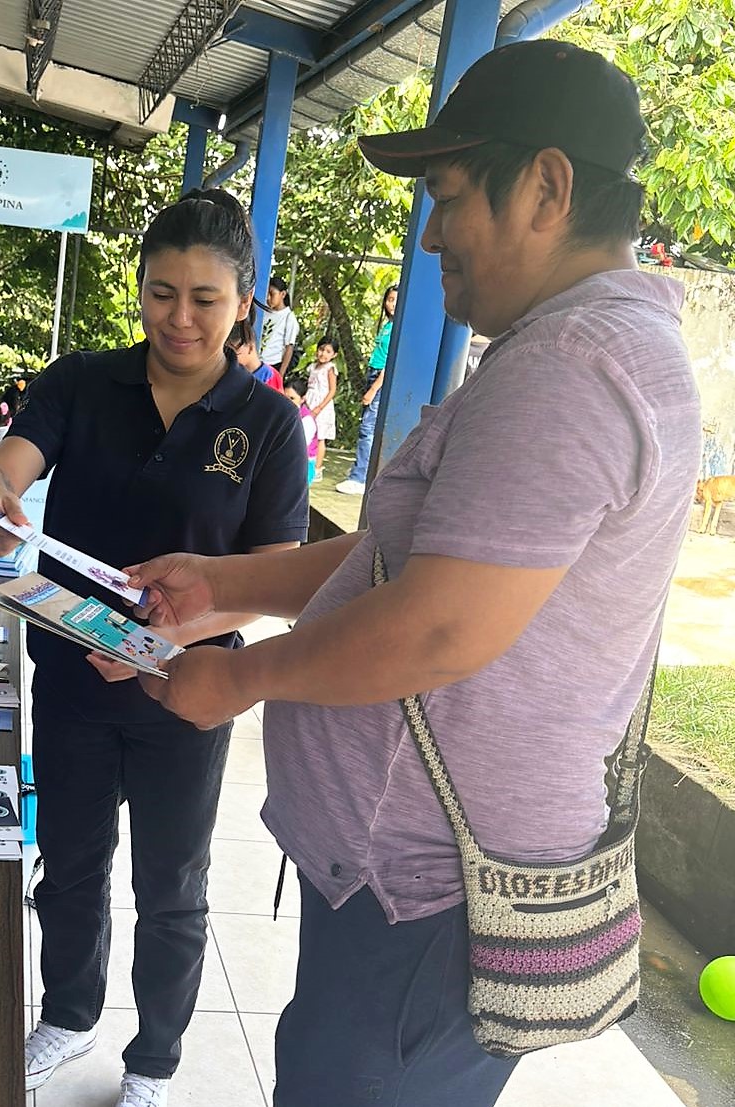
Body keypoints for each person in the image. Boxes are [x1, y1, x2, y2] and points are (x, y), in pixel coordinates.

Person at [121, 41, 700, 1107]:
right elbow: (407, 559)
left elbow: (439, 629)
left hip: (430, 903)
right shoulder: (574, 349)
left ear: (547, 186)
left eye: (447, 197)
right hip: (417, 893)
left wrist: (237, 679)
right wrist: (225, 586)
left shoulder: (572, 370)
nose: (431, 233)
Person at [0, 187, 308, 1107]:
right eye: (162, 292)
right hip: (75, 678)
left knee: (173, 886)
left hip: (189, 691)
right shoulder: (81, 381)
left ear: (246, 300)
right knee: (70, 863)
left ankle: (154, 1059)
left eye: (206, 297)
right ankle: (70, 1012)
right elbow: (13, 460)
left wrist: (169, 636)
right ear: (141, 287)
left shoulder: (269, 425)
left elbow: (275, 575)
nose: (181, 318)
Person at [336, 285, 396, 494]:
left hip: (380, 378)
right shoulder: (387, 325)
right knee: (370, 427)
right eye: (389, 299)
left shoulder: (398, 328)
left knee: (367, 429)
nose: (392, 304)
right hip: (373, 373)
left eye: (396, 300)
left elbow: (391, 364)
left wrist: (373, 390)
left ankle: (359, 477)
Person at [303, 335, 339, 480]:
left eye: (328, 351)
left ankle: (318, 468)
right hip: (309, 402)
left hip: (322, 406)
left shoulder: (330, 369)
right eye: (321, 349)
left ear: (334, 355)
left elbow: (332, 390)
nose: (323, 354)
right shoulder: (312, 367)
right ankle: (308, 464)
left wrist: (320, 407)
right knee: (308, 433)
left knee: (320, 437)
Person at [227, 318, 284, 392]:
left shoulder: (271, 377)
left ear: (250, 347)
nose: (229, 356)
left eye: (234, 352)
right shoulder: (230, 374)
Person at [283, 376, 320, 485]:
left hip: (302, 466)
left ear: (302, 399)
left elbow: (298, 447)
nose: (287, 402)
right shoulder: (284, 414)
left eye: (292, 398)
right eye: (284, 397)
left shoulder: (306, 421)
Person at [260, 275, 300, 372]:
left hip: (273, 365)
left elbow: (289, 348)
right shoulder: (264, 311)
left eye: (272, 294)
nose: (268, 298)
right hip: (257, 362)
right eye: (267, 294)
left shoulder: (289, 317)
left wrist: (280, 374)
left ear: (282, 294)